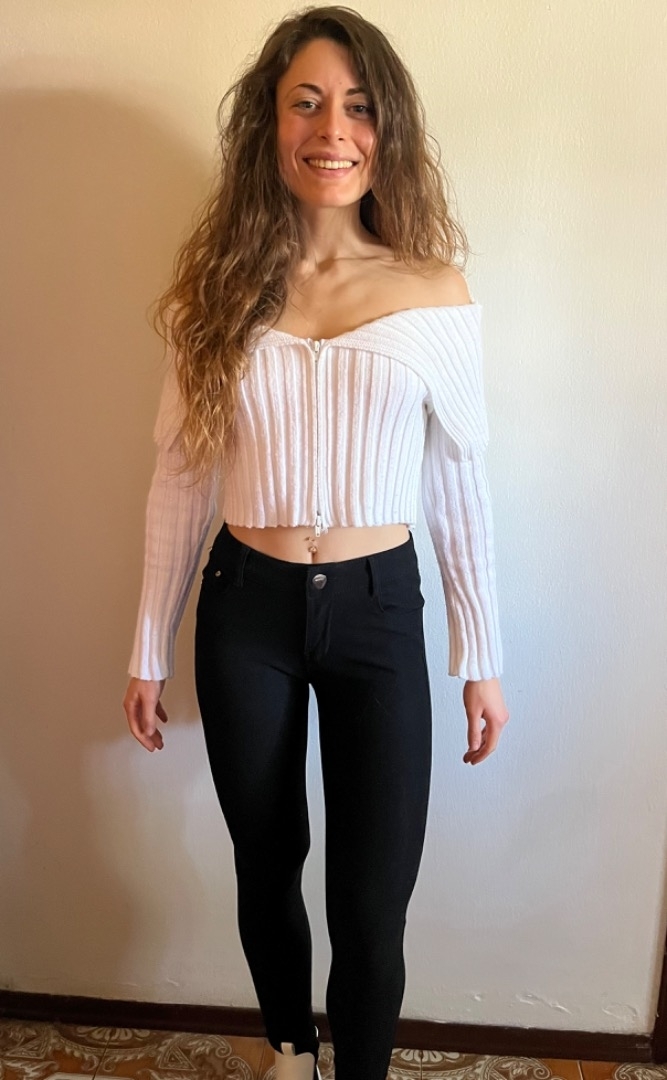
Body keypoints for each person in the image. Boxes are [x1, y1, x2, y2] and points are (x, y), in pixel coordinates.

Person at [123, 7, 509, 1080]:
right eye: (306, 103)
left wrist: (481, 657)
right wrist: (146, 645)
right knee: (267, 862)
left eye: (358, 106)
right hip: (244, 608)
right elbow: (180, 474)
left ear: (388, 130)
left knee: (372, 901)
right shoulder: (217, 293)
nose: (332, 128)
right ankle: (290, 1052)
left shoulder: (434, 293)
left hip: (379, 613)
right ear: (270, 124)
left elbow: (459, 482)